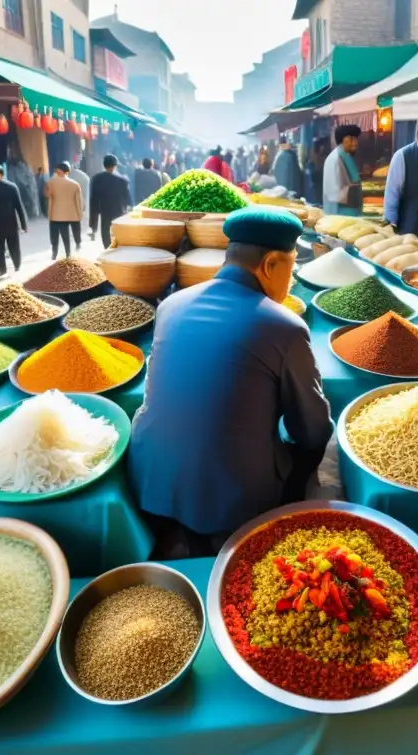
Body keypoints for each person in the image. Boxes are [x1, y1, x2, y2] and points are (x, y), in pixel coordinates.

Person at [129, 206, 332, 557]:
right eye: (292, 265)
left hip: (150, 482)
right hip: (232, 507)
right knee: (313, 450)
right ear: (270, 265)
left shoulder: (171, 305)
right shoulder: (284, 327)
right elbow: (311, 430)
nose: (293, 277)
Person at [89, 154, 132, 249]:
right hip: (119, 212)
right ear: (116, 166)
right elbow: (128, 199)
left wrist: (93, 224)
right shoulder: (122, 180)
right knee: (118, 234)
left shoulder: (97, 179)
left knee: (106, 234)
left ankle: (108, 250)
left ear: (104, 165)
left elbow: (94, 200)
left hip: (105, 212)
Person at [45, 161, 83, 260]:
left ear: (59, 171)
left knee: (54, 235)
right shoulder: (75, 184)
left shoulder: (51, 182)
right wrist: (79, 214)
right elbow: (78, 201)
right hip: (71, 214)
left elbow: (47, 195)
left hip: (55, 214)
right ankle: (68, 253)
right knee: (65, 235)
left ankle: (54, 252)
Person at [323, 124, 363, 216]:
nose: (355, 142)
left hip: (351, 213)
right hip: (339, 214)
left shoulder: (346, 155)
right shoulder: (335, 159)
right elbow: (333, 192)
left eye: (356, 139)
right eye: (351, 139)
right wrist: (356, 192)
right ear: (341, 140)